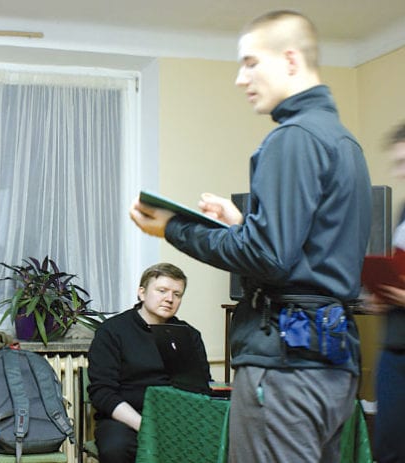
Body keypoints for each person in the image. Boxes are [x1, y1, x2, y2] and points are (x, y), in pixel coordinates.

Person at [130, 10, 372, 463]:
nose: (241, 78)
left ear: (291, 60)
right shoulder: (343, 142)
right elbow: (309, 250)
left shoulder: (291, 139)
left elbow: (268, 258)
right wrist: (242, 224)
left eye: (251, 63)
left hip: (284, 362)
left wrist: (173, 228)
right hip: (333, 359)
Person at [87, 263, 211, 463]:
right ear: (142, 293)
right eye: (162, 291)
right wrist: (145, 425)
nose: (169, 299)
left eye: (177, 294)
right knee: (116, 448)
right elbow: (102, 392)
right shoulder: (112, 331)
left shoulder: (189, 335)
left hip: (177, 419)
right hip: (127, 419)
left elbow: (202, 386)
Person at [367, 122, 405, 463]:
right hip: (394, 347)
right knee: (388, 448)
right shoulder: (404, 209)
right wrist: (381, 292)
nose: (399, 172)